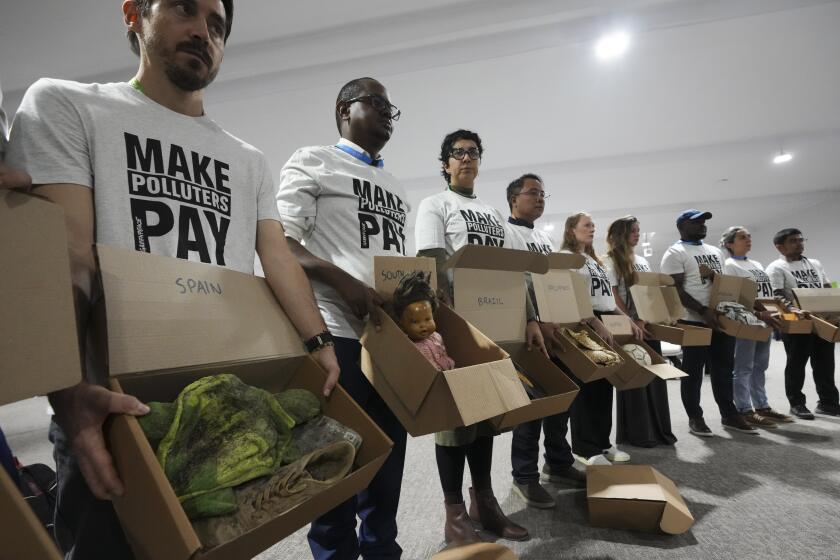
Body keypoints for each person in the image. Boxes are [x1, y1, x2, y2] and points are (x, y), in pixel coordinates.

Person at [6, 2, 340, 557]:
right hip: (113, 404)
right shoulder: (67, 104)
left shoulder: (247, 159)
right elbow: (69, 257)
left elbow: (276, 257)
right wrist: (65, 389)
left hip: (226, 397)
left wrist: (320, 342)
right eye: (186, 9)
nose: (203, 32)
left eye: (218, 26)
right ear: (135, 14)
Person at [276, 77, 408, 559]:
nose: (387, 114)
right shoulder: (313, 161)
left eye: (392, 108)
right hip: (335, 334)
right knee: (334, 465)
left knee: (387, 460)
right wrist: (341, 279)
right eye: (376, 103)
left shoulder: (395, 187)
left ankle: (382, 552)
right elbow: (282, 245)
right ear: (343, 110)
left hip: (390, 341)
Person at [415, 130, 545, 544]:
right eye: (458, 153)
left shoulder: (491, 212)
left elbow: (512, 269)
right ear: (445, 164)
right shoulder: (435, 205)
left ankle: (484, 503)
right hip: (453, 325)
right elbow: (431, 262)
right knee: (454, 423)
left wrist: (529, 317)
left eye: (473, 153)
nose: (466, 158)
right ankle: (455, 515)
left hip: (493, 323)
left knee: (486, 419)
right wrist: (445, 319)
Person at [504, 174, 585, 510]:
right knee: (532, 404)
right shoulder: (505, 233)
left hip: (556, 329)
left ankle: (558, 462)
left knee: (561, 397)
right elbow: (509, 282)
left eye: (542, 194)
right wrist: (532, 320)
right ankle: (525, 476)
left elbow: (554, 283)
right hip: (526, 330)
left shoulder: (543, 237)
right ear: (513, 198)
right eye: (532, 193)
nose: (539, 199)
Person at [660, 210, 757, 437]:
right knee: (692, 372)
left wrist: (725, 308)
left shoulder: (715, 251)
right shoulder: (675, 252)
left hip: (719, 318)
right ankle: (696, 417)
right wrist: (703, 310)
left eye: (704, 222)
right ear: (683, 225)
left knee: (724, 368)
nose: (703, 225)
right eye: (697, 222)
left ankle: (730, 414)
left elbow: (720, 283)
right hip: (693, 319)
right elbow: (675, 289)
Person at [558, 212, 642, 467]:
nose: (592, 229)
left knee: (605, 385)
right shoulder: (565, 258)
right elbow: (569, 294)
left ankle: (603, 443)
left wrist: (623, 317)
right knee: (587, 386)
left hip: (604, 318)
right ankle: (585, 448)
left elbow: (605, 296)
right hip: (583, 321)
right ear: (571, 229)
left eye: (593, 225)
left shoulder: (593, 259)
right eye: (586, 225)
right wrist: (593, 321)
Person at [604, 215, 677, 447]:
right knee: (635, 379)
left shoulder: (643, 259)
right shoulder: (610, 261)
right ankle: (638, 433)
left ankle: (658, 430)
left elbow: (650, 293)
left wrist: (652, 318)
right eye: (633, 230)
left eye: (638, 230)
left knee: (654, 377)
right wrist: (632, 322)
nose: (637, 234)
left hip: (648, 325)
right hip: (630, 328)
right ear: (621, 234)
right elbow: (614, 297)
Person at [719, 226, 793, 427]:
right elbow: (733, 297)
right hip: (747, 321)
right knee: (743, 367)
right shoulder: (729, 265)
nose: (748, 239)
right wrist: (758, 313)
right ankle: (744, 409)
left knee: (760, 366)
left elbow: (765, 293)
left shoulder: (757, 263)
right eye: (742, 237)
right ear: (729, 244)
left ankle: (762, 406)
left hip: (766, 320)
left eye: (749, 236)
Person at [766, 228, 840, 419]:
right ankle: (797, 404)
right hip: (797, 321)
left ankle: (828, 403)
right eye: (793, 241)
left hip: (821, 320)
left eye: (800, 239)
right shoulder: (776, 267)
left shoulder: (815, 263)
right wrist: (792, 310)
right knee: (796, 364)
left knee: (825, 363)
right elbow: (777, 295)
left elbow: (825, 287)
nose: (799, 243)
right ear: (780, 247)